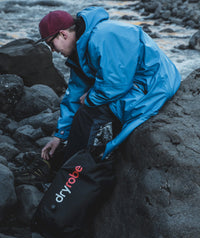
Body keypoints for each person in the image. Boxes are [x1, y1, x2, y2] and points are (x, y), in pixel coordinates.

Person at [15, 6, 181, 185]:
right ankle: (63, 167)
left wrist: (91, 97)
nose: (53, 51)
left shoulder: (104, 36)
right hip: (134, 82)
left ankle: (67, 175)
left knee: (90, 115)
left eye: (50, 43)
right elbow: (74, 95)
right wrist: (60, 135)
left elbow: (117, 82)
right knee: (84, 115)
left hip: (154, 83)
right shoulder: (80, 50)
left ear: (63, 34)